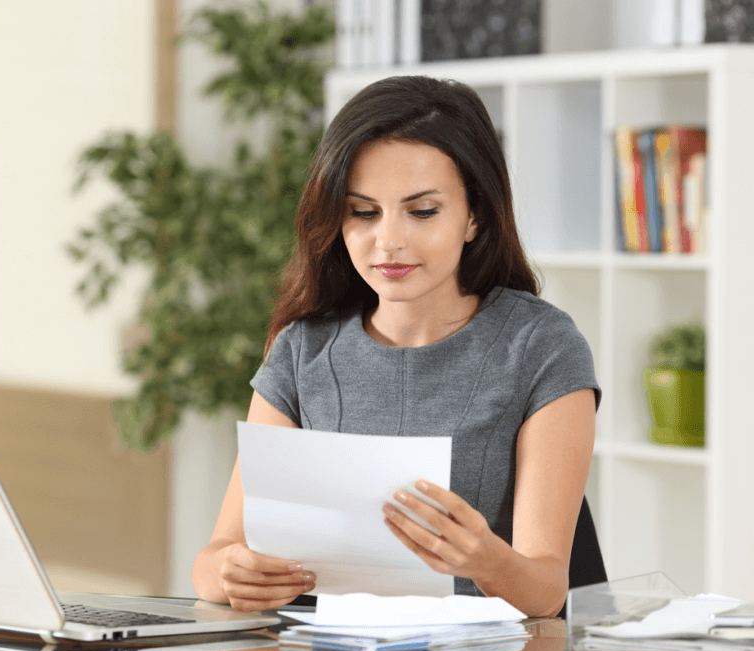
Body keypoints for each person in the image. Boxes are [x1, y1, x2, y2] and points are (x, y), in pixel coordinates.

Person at [191, 75, 600, 618]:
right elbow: (214, 557)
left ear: (474, 214)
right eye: (363, 212)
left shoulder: (542, 347)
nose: (389, 240)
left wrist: (486, 560)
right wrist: (229, 572)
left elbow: (547, 590)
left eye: (422, 211)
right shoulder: (301, 351)